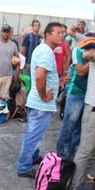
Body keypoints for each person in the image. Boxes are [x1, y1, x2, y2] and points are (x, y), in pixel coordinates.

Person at [17, 22, 64, 178]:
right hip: (40, 103)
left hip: (38, 102)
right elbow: (40, 75)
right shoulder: (46, 52)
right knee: (34, 134)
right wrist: (44, 96)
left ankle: (34, 156)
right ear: (48, 34)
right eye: (58, 32)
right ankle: (24, 167)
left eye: (63, 33)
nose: (61, 35)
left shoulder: (43, 49)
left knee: (36, 132)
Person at [72, 22, 95, 190]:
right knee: (85, 152)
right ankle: (77, 189)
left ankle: (84, 183)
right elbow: (83, 41)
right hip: (94, 109)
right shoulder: (94, 52)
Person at [56, 44, 88, 160]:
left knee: (80, 129)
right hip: (76, 93)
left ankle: (71, 158)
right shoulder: (79, 50)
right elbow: (80, 71)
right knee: (69, 126)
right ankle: (61, 159)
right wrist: (92, 61)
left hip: (90, 95)